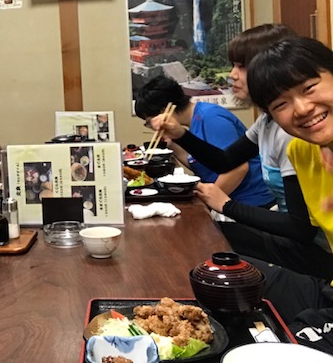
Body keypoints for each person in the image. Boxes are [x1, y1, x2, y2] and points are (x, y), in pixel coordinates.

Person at [148, 25, 333, 278]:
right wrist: (181, 135)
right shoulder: (270, 123)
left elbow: (301, 228)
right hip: (304, 240)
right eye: (233, 65)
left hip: (315, 251)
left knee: (208, 256)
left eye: (242, 66)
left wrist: (227, 205)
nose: (233, 75)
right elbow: (225, 161)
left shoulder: (294, 134)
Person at [241, 36, 333, 352]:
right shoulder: (302, 152)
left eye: (309, 88)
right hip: (328, 286)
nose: (302, 108)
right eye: (281, 104)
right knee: (221, 277)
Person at [135, 75, 275, 210]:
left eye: (149, 122)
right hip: (232, 200)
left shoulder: (210, 117)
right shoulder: (194, 122)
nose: (151, 127)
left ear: (163, 111)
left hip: (251, 202)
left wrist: (205, 202)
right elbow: (199, 163)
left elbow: (238, 169)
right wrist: (172, 144)